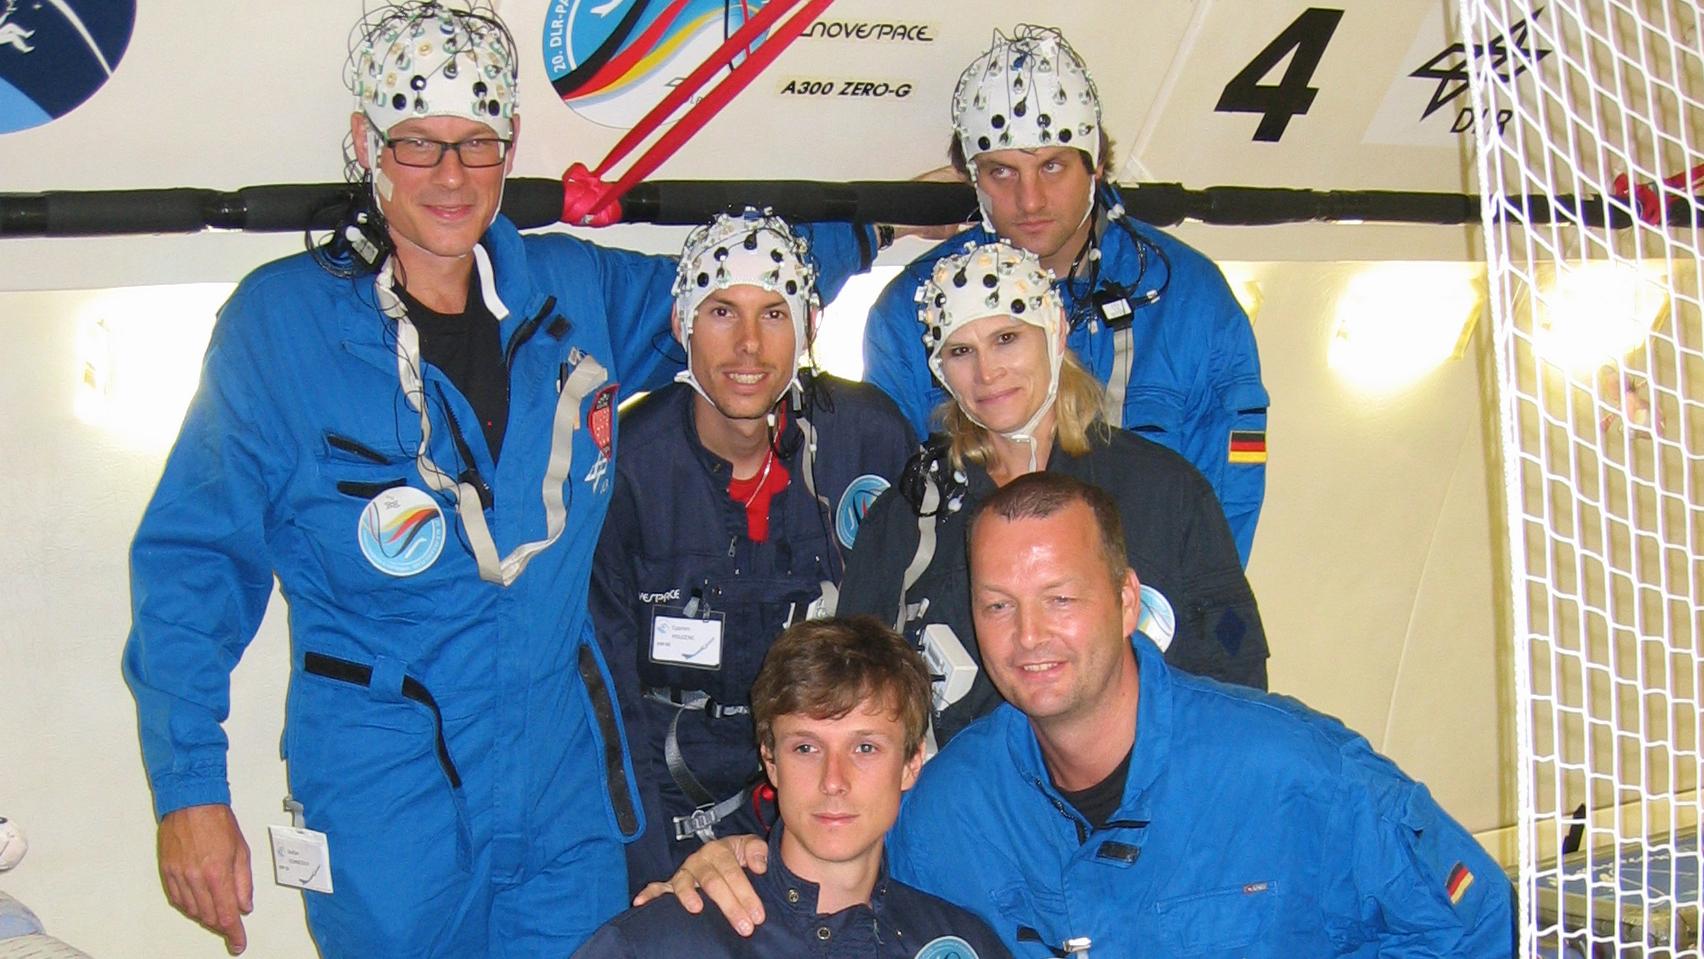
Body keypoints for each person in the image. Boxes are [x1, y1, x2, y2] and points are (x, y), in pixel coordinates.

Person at [117, 4, 864, 955]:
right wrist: (189, 788)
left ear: (509, 147)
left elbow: (737, 289)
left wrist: (920, 211)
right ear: (367, 146)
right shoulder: (280, 329)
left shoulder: (574, 292)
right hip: (385, 790)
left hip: (559, 785)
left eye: (476, 144)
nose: (451, 176)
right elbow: (195, 565)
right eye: (418, 144)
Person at [644, 474, 1513, 958]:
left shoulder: (1293, 772)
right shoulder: (950, 808)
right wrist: (728, 867)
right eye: (998, 605)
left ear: (1129, 600)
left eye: (1060, 598)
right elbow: (835, 857)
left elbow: (1477, 923)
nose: (1028, 637)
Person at [861, 25, 1269, 563]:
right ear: (971, 178)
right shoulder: (912, 310)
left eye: (1051, 166)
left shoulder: (1191, 300)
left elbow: (1226, 506)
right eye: (1002, 171)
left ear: (1094, 163)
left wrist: (1156, 616)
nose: (1030, 199)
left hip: (1141, 603)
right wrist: (877, 227)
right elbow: (892, 511)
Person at [590, 211, 914, 888]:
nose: (748, 345)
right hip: (675, 809)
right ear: (681, 325)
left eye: (773, 314)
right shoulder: (627, 470)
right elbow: (610, 699)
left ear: (810, 325)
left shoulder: (868, 442)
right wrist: (655, 869)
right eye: (721, 312)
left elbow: (908, 651)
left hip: (835, 791)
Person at [840, 240, 1263, 745]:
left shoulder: (1163, 492)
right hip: (962, 786)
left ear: (1056, 331)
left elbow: (1233, 680)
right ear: (939, 368)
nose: (987, 373)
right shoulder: (911, 514)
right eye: (961, 351)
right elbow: (853, 688)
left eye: (1006, 338)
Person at [573, 616, 1012, 958]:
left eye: (865, 748)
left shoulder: (962, 944)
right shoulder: (661, 944)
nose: (833, 781)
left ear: (911, 763)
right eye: (806, 747)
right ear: (770, 760)